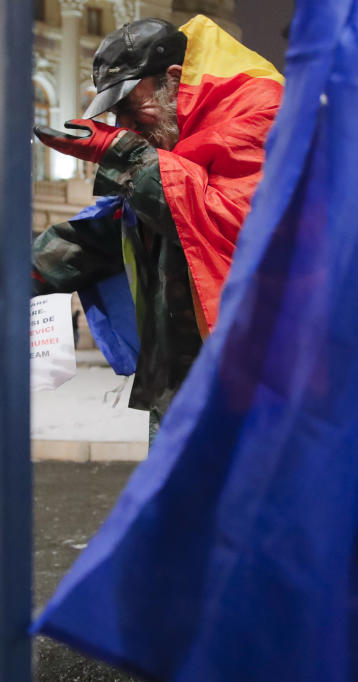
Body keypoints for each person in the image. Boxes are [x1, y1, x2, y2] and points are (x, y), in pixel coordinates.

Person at [31, 16, 284, 438]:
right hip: (182, 379)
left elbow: (223, 219)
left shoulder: (262, 111)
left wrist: (124, 154)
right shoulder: (172, 139)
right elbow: (117, 229)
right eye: (117, 115)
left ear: (174, 78)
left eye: (132, 108)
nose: (125, 127)